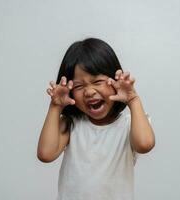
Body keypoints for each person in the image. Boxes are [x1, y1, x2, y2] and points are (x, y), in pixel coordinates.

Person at [37, 38, 155, 200]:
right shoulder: (71, 124)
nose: (89, 92)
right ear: (71, 92)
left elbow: (144, 144)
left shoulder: (128, 125)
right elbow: (45, 154)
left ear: (115, 80)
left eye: (97, 81)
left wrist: (133, 100)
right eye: (78, 86)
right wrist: (55, 107)